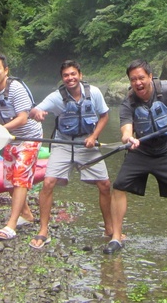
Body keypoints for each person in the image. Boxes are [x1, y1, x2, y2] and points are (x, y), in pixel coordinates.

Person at [103, 59, 167, 254]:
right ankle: (116, 238)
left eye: (141, 78)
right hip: (141, 151)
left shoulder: (165, 88)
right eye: (133, 80)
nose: (138, 83)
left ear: (150, 76)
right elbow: (126, 128)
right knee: (119, 186)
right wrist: (128, 138)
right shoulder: (128, 102)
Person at [27, 60, 113, 250]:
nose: (70, 78)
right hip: (63, 143)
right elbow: (35, 109)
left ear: (80, 75)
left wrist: (94, 136)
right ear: (62, 78)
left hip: (86, 143)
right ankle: (43, 231)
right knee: (48, 182)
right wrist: (38, 114)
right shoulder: (57, 97)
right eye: (66, 75)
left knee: (105, 185)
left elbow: (104, 115)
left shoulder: (94, 93)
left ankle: (109, 229)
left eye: (73, 74)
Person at [0, 53, 43, 240]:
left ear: (6, 70)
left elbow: (23, 117)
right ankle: (26, 214)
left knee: (20, 179)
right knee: (9, 182)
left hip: (29, 137)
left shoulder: (16, 88)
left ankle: (11, 225)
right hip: (9, 138)